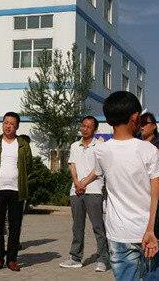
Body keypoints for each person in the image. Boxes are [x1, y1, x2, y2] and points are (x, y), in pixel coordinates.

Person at [82, 91, 159, 281]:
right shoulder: (147, 149)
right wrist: (151, 230)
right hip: (149, 231)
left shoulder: (101, 151)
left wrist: (82, 183)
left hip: (118, 233)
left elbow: (97, 173)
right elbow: (157, 193)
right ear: (135, 117)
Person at [60, 115, 108, 272]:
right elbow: (72, 165)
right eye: (83, 125)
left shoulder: (100, 146)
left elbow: (98, 169)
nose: (85, 129)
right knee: (77, 226)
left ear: (95, 129)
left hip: (94, 190)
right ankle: (75, 258)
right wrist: (76, 182)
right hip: (76, 191)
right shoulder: (75, 145)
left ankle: (103, 259)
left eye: (88, 126)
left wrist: (84, 183)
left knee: (98, 226)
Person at [0, 112, 32, 272]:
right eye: (6, 122)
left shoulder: (23, 144)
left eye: (12, 124)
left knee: (15, 226)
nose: (8, 126)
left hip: (17, 190)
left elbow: (28, 165)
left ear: (17, 126)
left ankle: (12, 259)